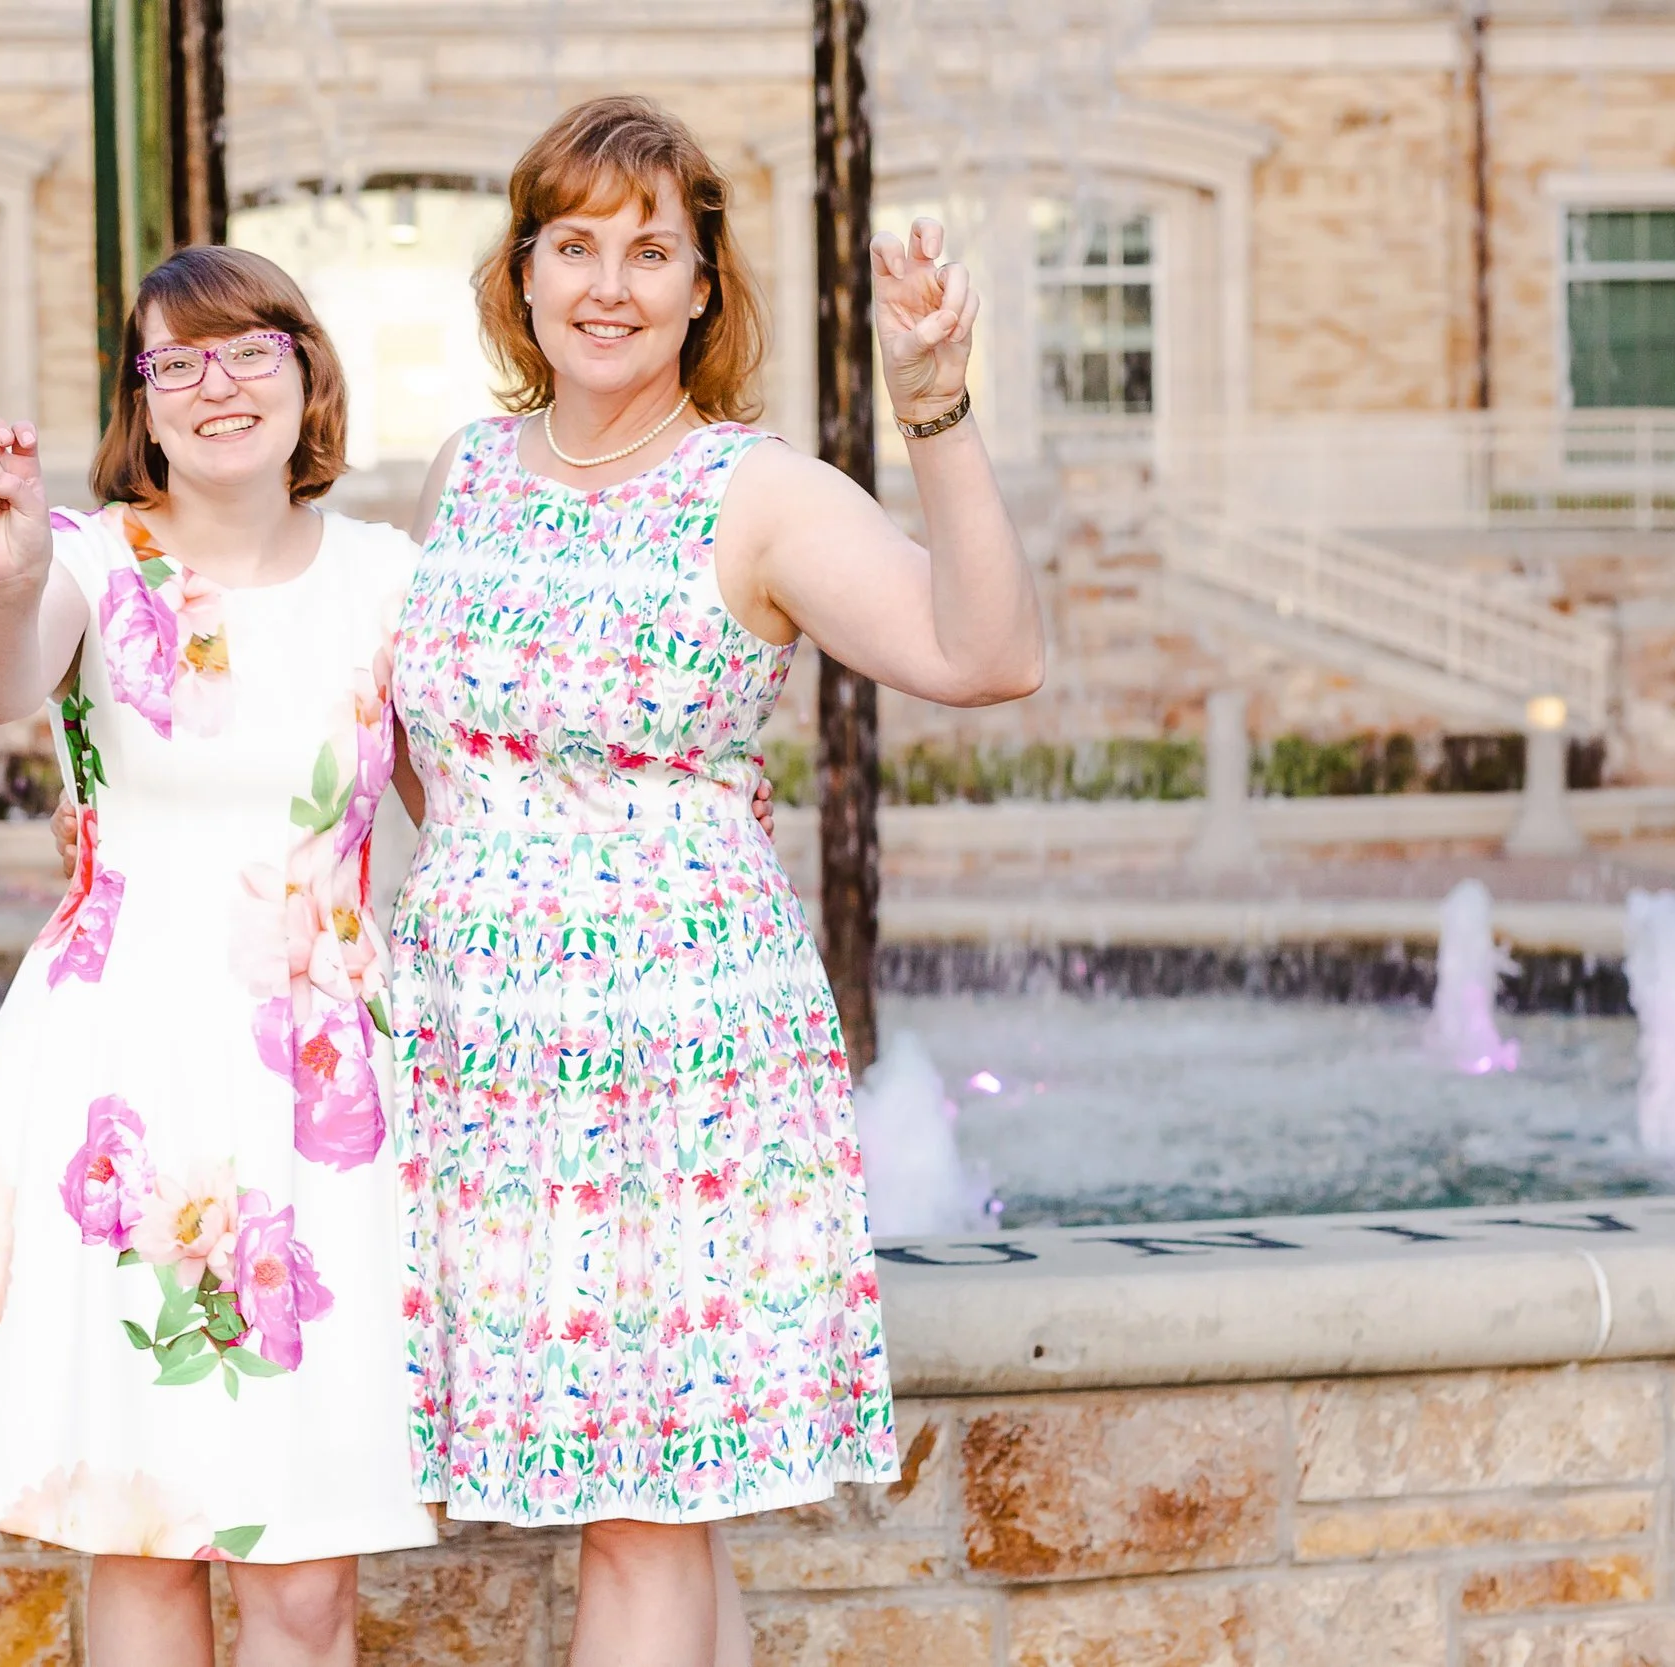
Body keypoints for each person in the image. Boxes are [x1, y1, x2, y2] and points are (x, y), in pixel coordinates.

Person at [388, 95, 1045, 1667]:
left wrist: (937, 411)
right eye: (574, 245)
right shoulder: (461, 474)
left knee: (640, 1507)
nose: (608, 283)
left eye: (650, 250)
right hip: (483, 1053)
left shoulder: (757, 493)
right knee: (649, 1509)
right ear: (523, 274)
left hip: (679, 1061)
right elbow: (423, 762)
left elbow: (990, 654)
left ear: (703, 287)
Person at [0, 244, 437, 1667]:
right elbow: (6, 680)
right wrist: (6, 580)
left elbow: (476, 803)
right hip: (125, 1076)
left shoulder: (394, 579)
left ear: (308, 371)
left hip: (324, 1099)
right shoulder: (86, 560)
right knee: (145, 1545)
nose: (218, 383)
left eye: (252, 348)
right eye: (178, 359)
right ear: (144, 401)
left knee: (307, 1584)